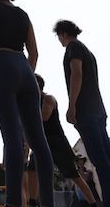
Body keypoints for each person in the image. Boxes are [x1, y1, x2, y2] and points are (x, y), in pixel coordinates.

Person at [0, 0, 53, 207]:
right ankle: (47, 203)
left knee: (12, 139)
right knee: (39, 142)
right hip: (24, 68)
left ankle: (13, 203)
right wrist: (26, 76)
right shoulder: (23, 14)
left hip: (0, 64)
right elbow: (35, 52)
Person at [54, 20, 110, 207]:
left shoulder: (73, 47)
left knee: (100, 159)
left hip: (86, 110)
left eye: (59, 36)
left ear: (63, 33)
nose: (59, 40)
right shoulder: (86, 50)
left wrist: (72, 106)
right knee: (108, 158)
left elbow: (77, 74)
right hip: (97, 110)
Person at [25, 74, 97, 207]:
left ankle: (93, 203)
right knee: (32, 169)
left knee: (73, 175)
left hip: (57, 142)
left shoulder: (48, 98)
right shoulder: (30, 102)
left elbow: (45, 116)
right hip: (41, 141)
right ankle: (32, 202)